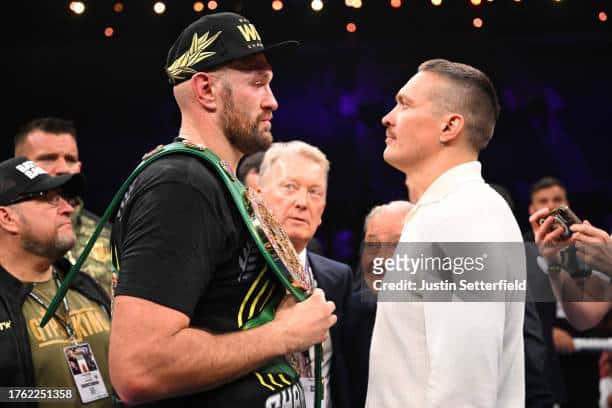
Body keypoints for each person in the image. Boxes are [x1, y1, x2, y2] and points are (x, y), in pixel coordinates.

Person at [109, 12, 336, 407]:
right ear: (207, 91)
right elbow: (138, 369)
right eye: (257, 83)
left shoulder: (215, 182)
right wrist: (284, 334)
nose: (272, 101)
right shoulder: (181, 185)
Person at [366, 59, 526, 407]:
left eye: (405, 104)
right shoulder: (447, 212)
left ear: (450, 126)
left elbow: (465, 388)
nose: (388, 117)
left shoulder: (466, 218)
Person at [0, 157, 112, 406]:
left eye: (62, 196)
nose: (67, 208)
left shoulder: (87, 287)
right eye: (49, 199)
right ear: (7, 218)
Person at [257, 141, 352, 408]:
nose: (302, 202)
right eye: (289, 187)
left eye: (314, 192)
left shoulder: (337, 279)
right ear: (258, 195)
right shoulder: (229, 271)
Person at [14, 117, 114, 297]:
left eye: (69, 159)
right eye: (48, 158)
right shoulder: (5, 234)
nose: (62, 169)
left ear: (79, 167)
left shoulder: (112, 241)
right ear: (19, 167)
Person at [346, 200, 412, 408]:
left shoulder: (449, 321)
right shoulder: (349, 320)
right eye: (373, 245)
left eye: (397, 245)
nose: (381, 259)